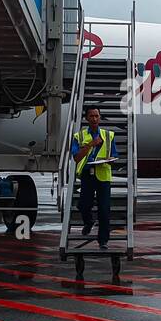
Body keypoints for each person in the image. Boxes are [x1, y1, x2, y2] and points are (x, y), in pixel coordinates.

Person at [71, 106, 117, 249]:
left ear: (100, 118)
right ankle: (88, 222)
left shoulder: (108, 136)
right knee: (84, 205)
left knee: (104, 209)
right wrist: (90, 144)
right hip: (87, 174)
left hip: (103, 174)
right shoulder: (79, 136)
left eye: (97, 116)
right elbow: (76, 157)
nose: (95, 119)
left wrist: (109, 159)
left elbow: (115, 154)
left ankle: (103, 240)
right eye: (92, 116)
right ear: (86, 118)